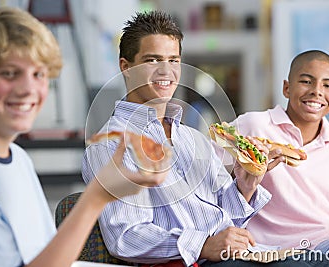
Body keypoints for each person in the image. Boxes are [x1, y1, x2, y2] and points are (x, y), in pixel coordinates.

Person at [0, 7, 167, 267]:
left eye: (38, 74)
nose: (28, 90)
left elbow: (46, 255)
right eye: (10, 73)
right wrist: (98, 196)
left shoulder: (18, 159)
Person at [81, 10, 283, 267]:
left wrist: (246, 185)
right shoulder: (110, 145)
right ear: (126, 67)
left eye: (174, 60)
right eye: (153, 60)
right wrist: (204, 245)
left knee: (324, 257)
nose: (166, 71)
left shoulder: (193, 138)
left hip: (237, 256)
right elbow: (126, 236)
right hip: (194, 263)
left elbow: (226, 216)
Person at [226, 50, 329, 264]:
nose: (317, 91)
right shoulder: (253, 126)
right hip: (273, 249)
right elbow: (209, 181)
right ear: (287, 88)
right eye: (307, 81)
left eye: (327, 86)